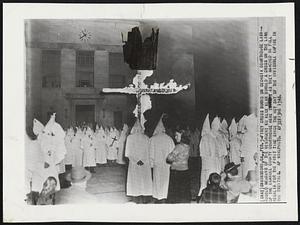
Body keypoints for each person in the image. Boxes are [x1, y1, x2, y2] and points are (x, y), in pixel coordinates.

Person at [125, 119, 152, 203]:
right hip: (144, 163)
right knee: (144, 179)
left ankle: (136, 197)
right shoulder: (147, 138)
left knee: (135, 180)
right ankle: (144, 196)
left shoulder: (130, 138)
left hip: (134, 163)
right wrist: (143, 160)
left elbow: (128, 153)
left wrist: (136, 160)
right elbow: (149, 152)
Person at [149, 115, 175, 203]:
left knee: (157, 181)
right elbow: (173, 154)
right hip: (166, 165)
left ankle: (156, 196)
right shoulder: (169, 139)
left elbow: (151, 154)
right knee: (165, 181)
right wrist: (171, 165)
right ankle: (163, 197)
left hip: (157, 165)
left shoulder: (152, 139)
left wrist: (151, 165)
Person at [166, 131, 191, 203]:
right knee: (184, 193)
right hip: (185, 171)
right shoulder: (187, 145)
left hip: (177, 172)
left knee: (175, 195)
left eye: (177, 135)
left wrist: (172, 158)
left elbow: (169, 158)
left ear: (182, 136)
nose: (175, 137)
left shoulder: (179, 146)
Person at [198, 115, 219, 196]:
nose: (217, 129)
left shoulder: (216, 138)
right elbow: (204, 154)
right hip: (208, 165)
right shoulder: (206, 138)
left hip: (215, 164)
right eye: (215, 126)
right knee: (206, 183)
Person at [240, 114, 258, 179]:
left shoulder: (256, 134)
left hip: (254, 158)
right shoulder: (246, 135)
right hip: (248, 157)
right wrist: (243, 156)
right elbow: (242, 148)